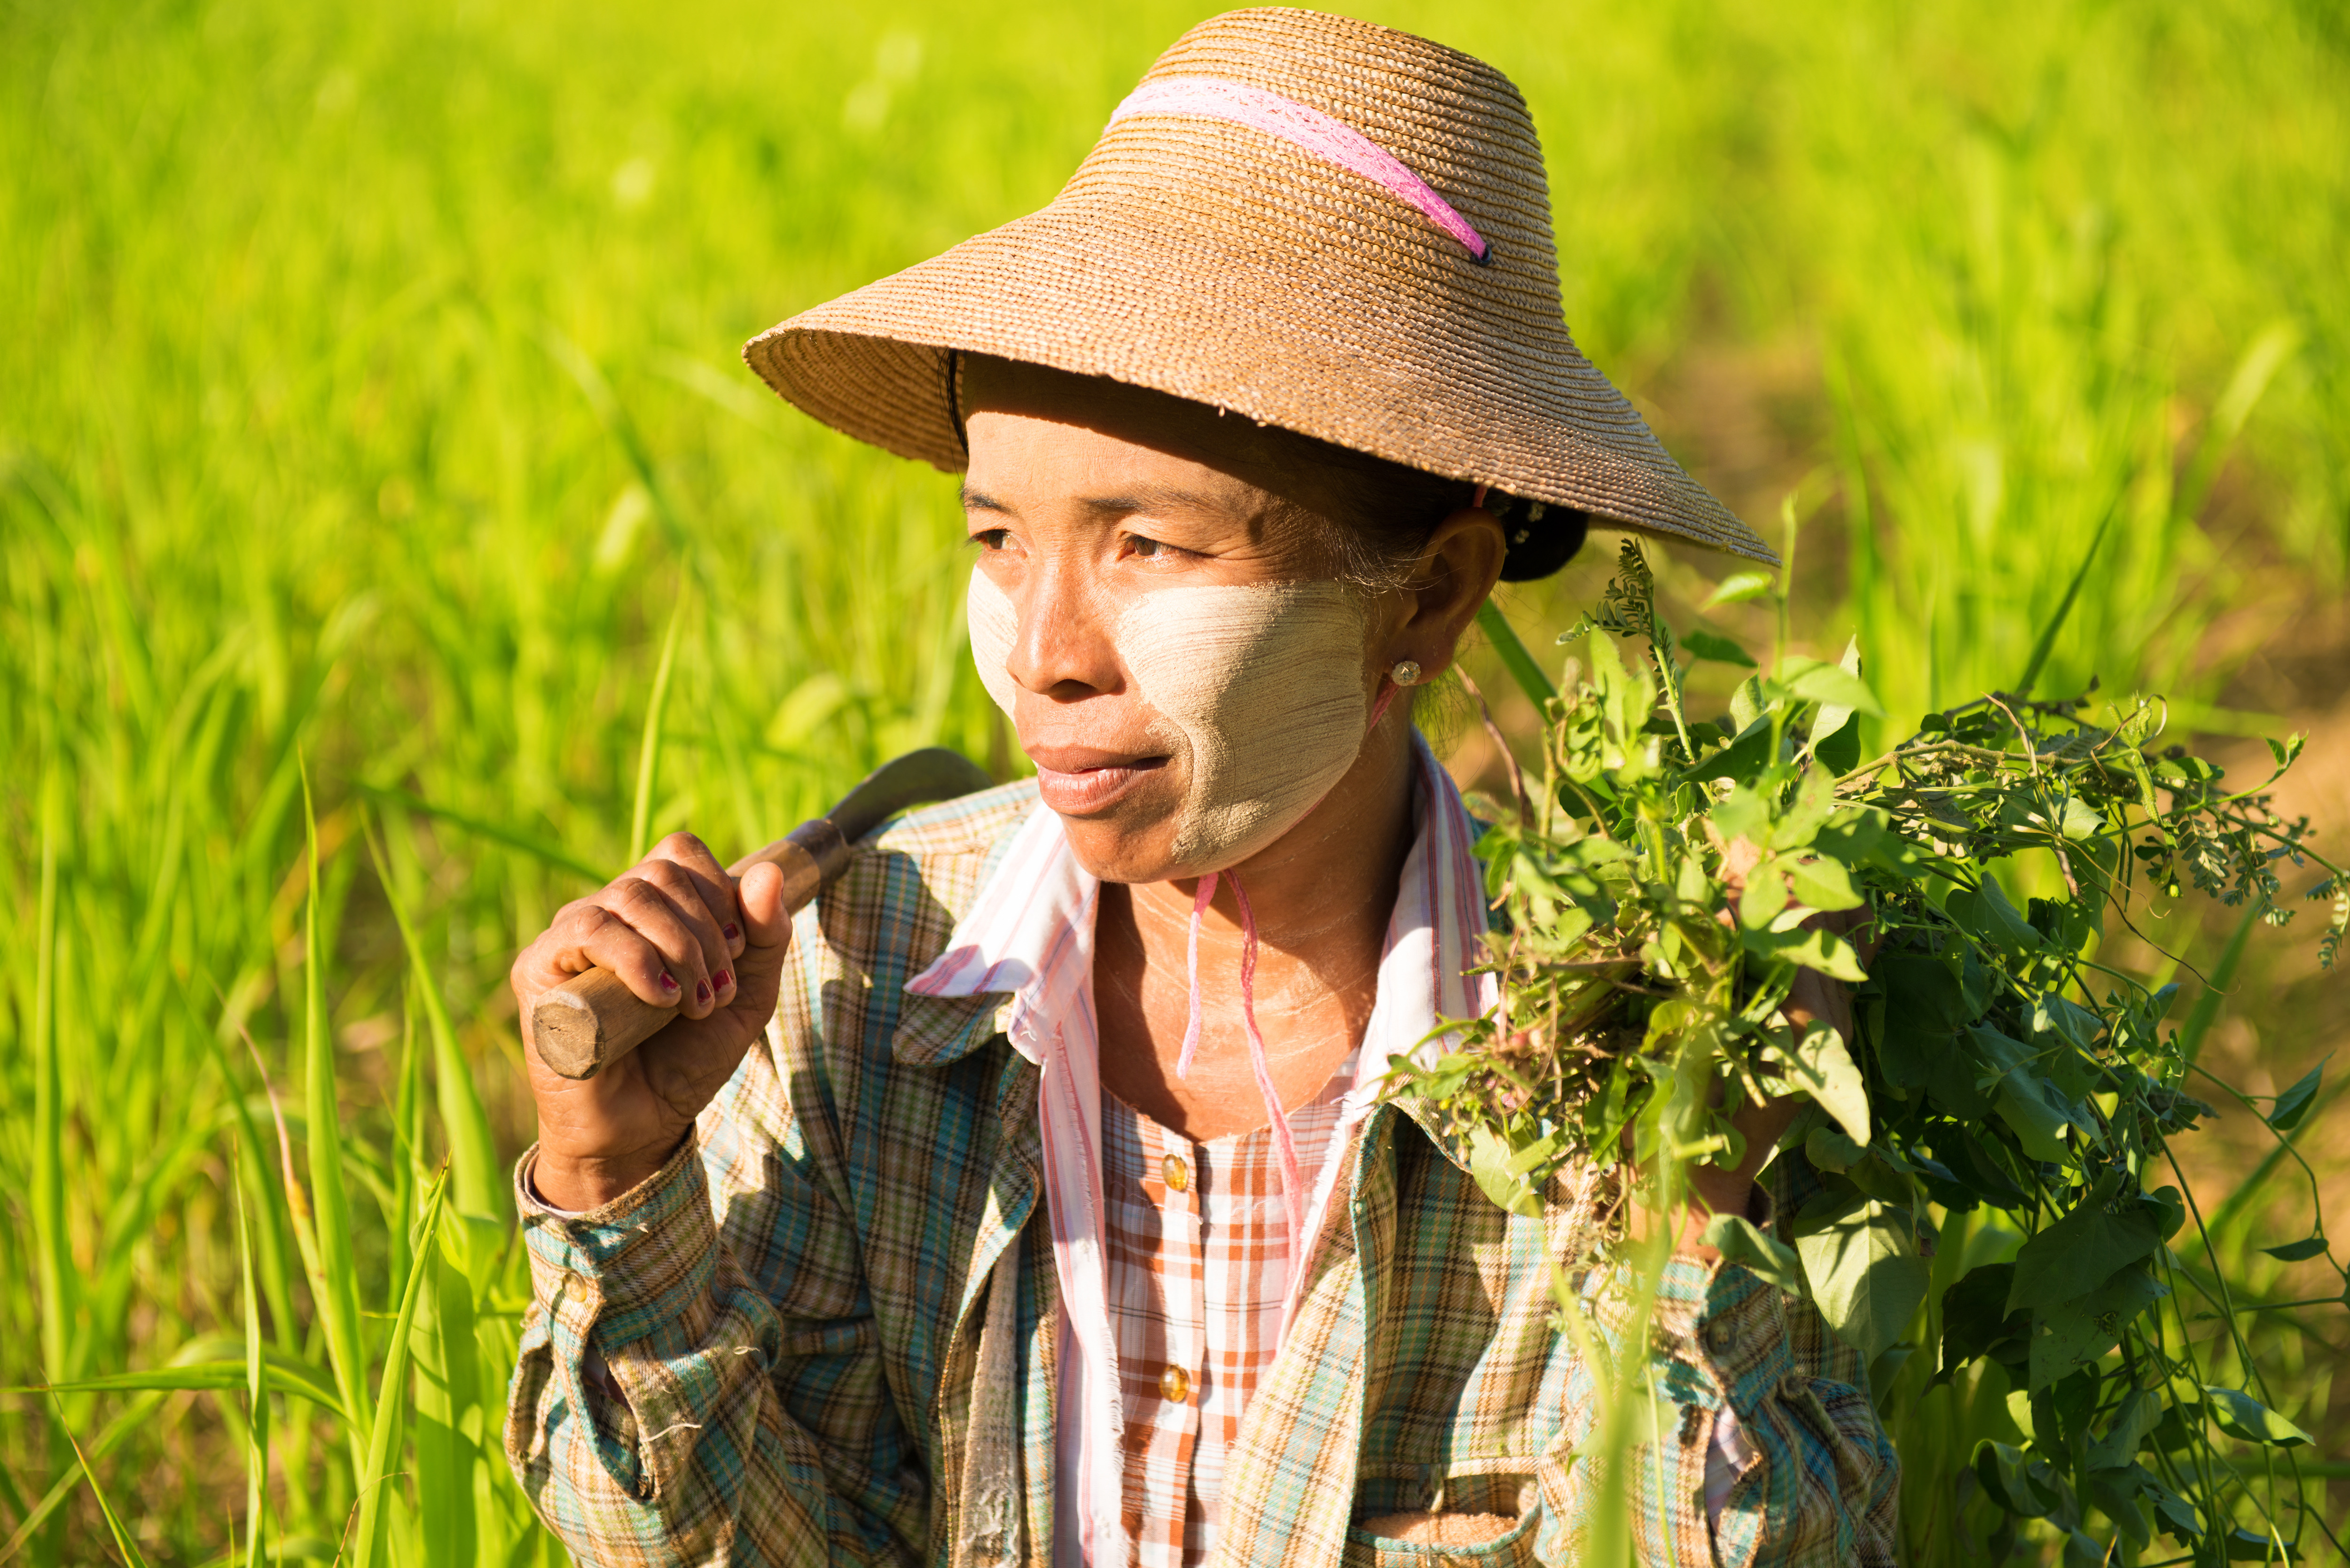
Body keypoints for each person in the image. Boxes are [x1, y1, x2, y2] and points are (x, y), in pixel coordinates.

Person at [503, 10, 1898, 1566]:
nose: (1043, 651)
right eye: (997, 540)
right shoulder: (855, 976)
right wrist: (620, 1179)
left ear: (1428, 597)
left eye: (1147, 545)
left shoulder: (1617, 1044)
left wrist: (1686, 1221)